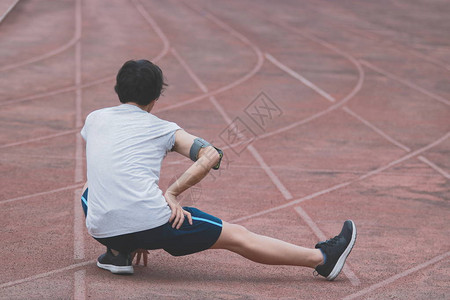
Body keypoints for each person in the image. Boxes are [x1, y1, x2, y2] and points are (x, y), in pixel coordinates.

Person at [80, 59, 356, 281]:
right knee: (237, 236)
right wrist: (173, 193)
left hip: (101, 227)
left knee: (90, 187)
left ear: (119, 90)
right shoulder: (162, 128)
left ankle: (118, 253)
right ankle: (323, 260)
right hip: (153, 223)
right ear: (155, 98)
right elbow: (211, 154)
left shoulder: (94, 119)